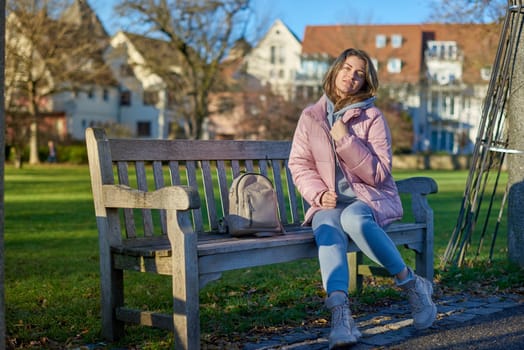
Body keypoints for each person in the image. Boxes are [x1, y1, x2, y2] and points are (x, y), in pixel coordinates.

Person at [288, 48, 436, 349]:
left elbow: (380, 173)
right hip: (328, 202)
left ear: (366, 82)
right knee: (327, 228)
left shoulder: (373, 117)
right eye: (346, 68)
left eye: (359, 73)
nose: (351, 76)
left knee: (353, 218)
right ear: (335, 70)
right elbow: (299, 164)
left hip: (366, 198)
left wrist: (345, 138)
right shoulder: (310, 117)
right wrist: (318, 193)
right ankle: (341, 316)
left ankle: (412, 285)